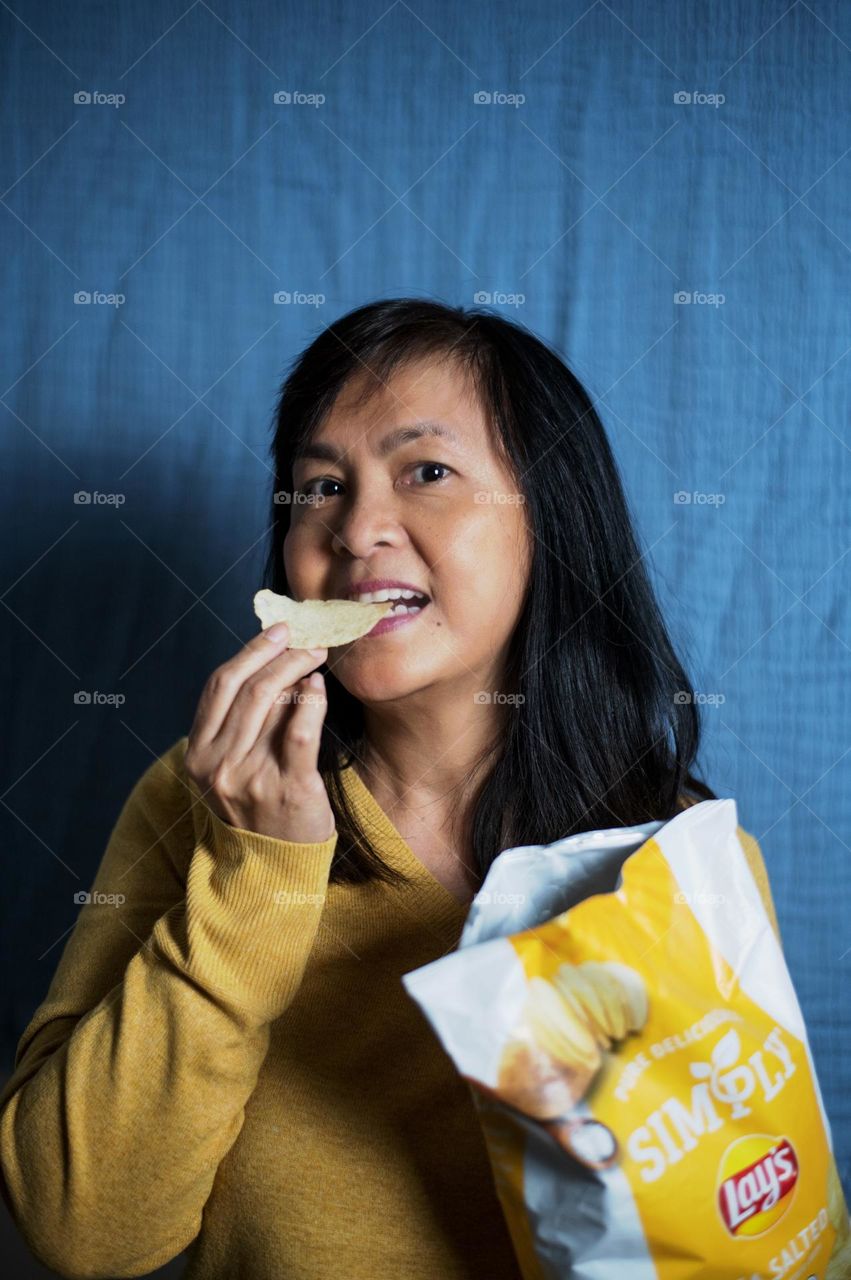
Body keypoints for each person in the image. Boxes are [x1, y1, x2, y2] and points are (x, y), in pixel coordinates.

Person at [0, 298, 781, 1279]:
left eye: (426, 471)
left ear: (551, 517)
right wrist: (258, 874)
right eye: (321, 486)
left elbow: (747, 1213)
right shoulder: (203, 796)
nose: (356, 528)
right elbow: (84, 1232)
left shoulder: (680, 857)